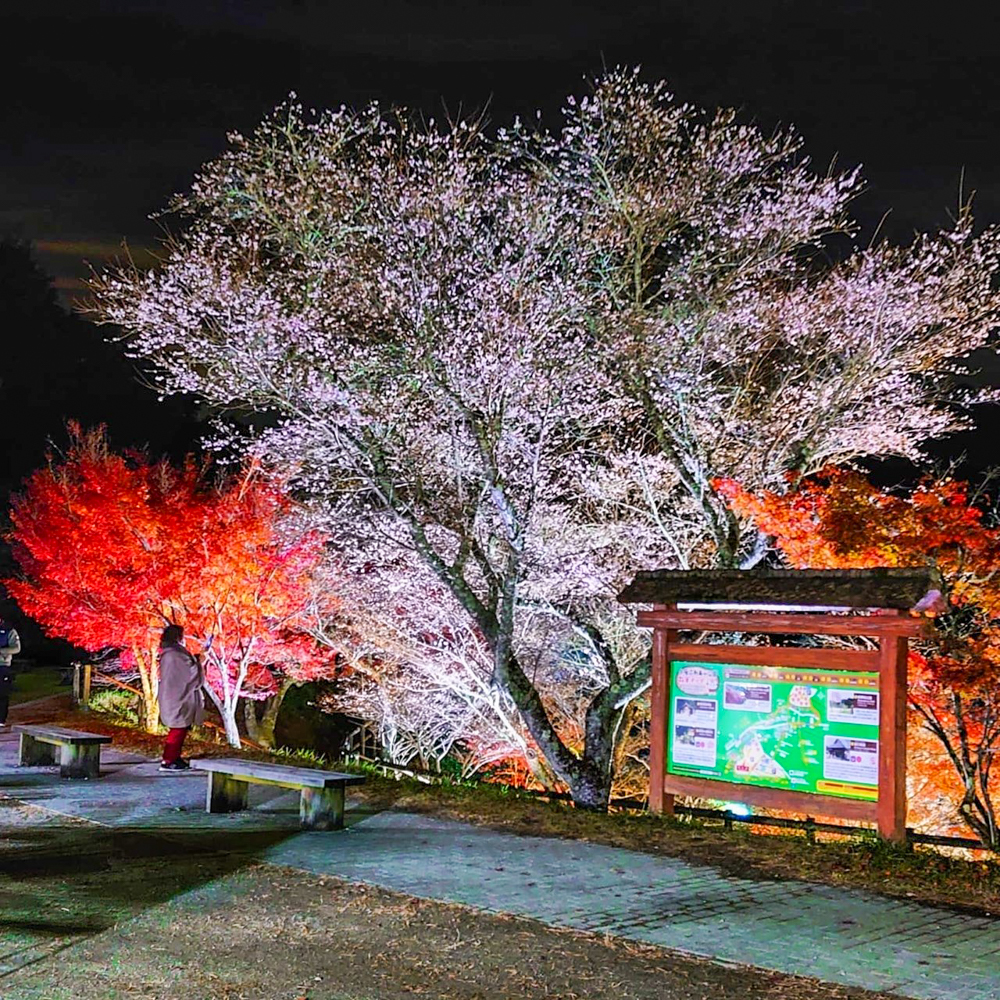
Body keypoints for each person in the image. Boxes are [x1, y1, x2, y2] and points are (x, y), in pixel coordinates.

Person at [157, 624, 205, 772]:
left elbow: (184, 668)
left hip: (172, 694)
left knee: (179, 728)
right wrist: (200, 662)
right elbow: (188, 673)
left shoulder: (169, 652)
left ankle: (174, 757)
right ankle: (169, 760)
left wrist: (196, 660)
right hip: (177, 696)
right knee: (178, 728)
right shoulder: (175, 653)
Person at [0, 617, 21, 727]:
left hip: (2, 665)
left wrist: (2, 651)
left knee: (2, 693)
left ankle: (1, 719)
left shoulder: (9, 631)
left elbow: (16, 648)